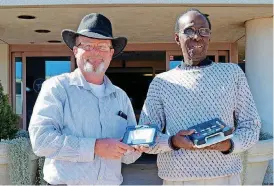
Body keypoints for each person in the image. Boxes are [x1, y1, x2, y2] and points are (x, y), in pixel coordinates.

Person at [138, 8, 261, 185]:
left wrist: (229, 144)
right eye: (189, 31)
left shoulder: (232, 73)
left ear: (209, 37)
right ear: (177, 38)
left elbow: (251, 126)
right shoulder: (161, 83)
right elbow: (145, 137)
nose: (197, 37)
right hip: (176, 178)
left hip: (224, 177)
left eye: (203, 31)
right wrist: (172, 141)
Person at [29, 13, 141, 185]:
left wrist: (136, 148)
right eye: (87, 45)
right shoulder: (57, 88)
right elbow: (41, 141)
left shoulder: (120, 96)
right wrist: (95, 147)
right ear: (75, 50)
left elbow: (129, 157)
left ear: (111, 53)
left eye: (102, 47)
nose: (95, 52)